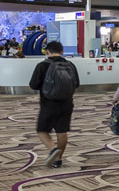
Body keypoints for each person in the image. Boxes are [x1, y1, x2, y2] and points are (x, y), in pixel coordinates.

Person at [28, 40, 79, 168]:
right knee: (62, 131)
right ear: (62, 51)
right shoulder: (70, 65)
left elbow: (33, 85)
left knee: (42, 130)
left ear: (47, 51)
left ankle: (52, 149)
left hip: (48, 103)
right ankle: (58, 159)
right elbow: (76, 84)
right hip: (67, 102)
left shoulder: (42, 65)